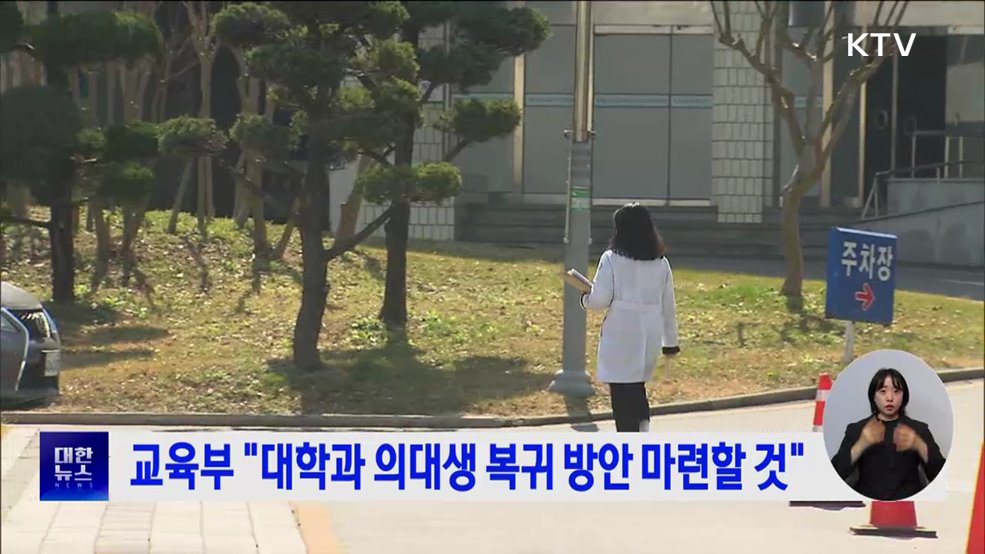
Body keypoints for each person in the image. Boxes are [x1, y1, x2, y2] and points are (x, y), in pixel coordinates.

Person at [580, 203, 680, 432]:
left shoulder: (611, 259)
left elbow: (600, 299)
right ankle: (642, 426)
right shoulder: (661, 263)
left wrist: (585, 298)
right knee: (636, 384)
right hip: (650, 330)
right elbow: (668, 305)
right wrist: (671, 342)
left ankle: (628, 437)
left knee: (620, 389)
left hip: (621, 330)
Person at [830, 367, 947, 501]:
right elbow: (835, 475)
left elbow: (940, 478)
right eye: (883, 391)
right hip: (868, 503)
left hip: (908, 503)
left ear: (904, 397)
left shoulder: (918, 430)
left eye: (896, 391)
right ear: (873, 397)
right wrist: (861, 444)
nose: (890, 398)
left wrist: (919, 445)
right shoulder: (857, 429)